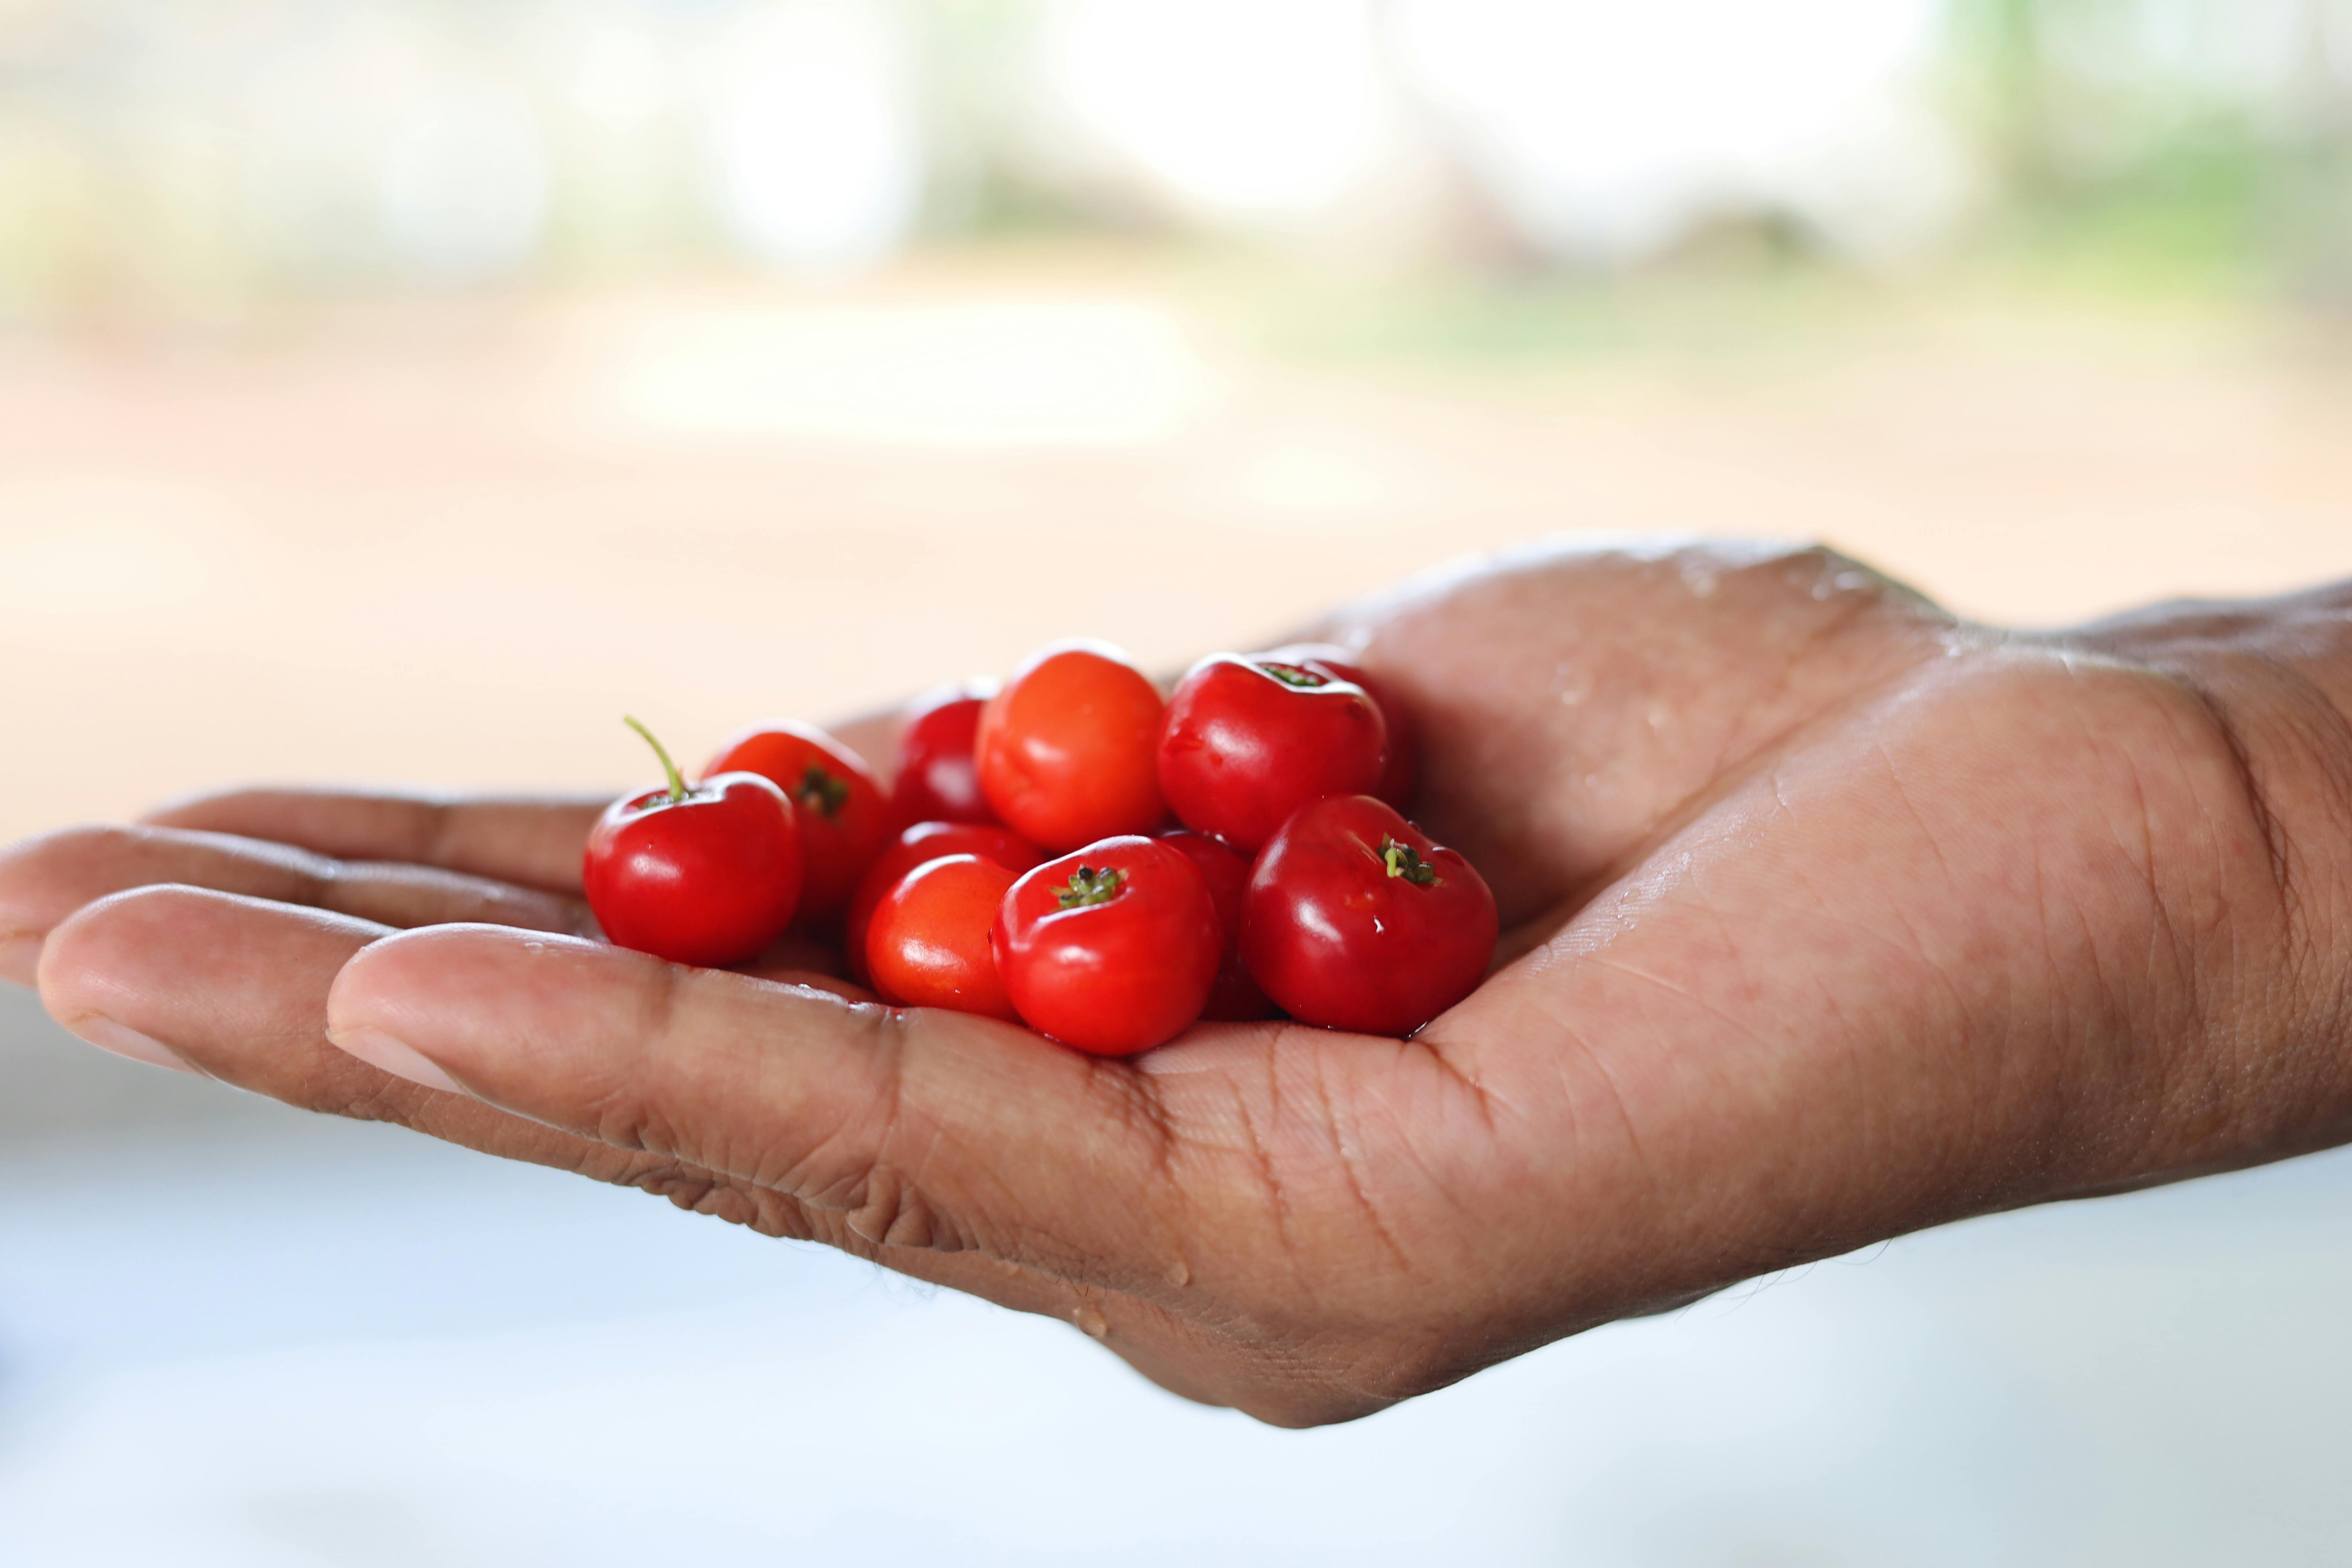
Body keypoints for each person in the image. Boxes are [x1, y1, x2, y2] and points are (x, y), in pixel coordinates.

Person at [3, 540, 2347, 1429]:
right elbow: (1014, 825)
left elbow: (1062, 830)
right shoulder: (1045, 837)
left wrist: (2242, 820)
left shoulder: (1171, 826)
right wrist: (2244, 749)